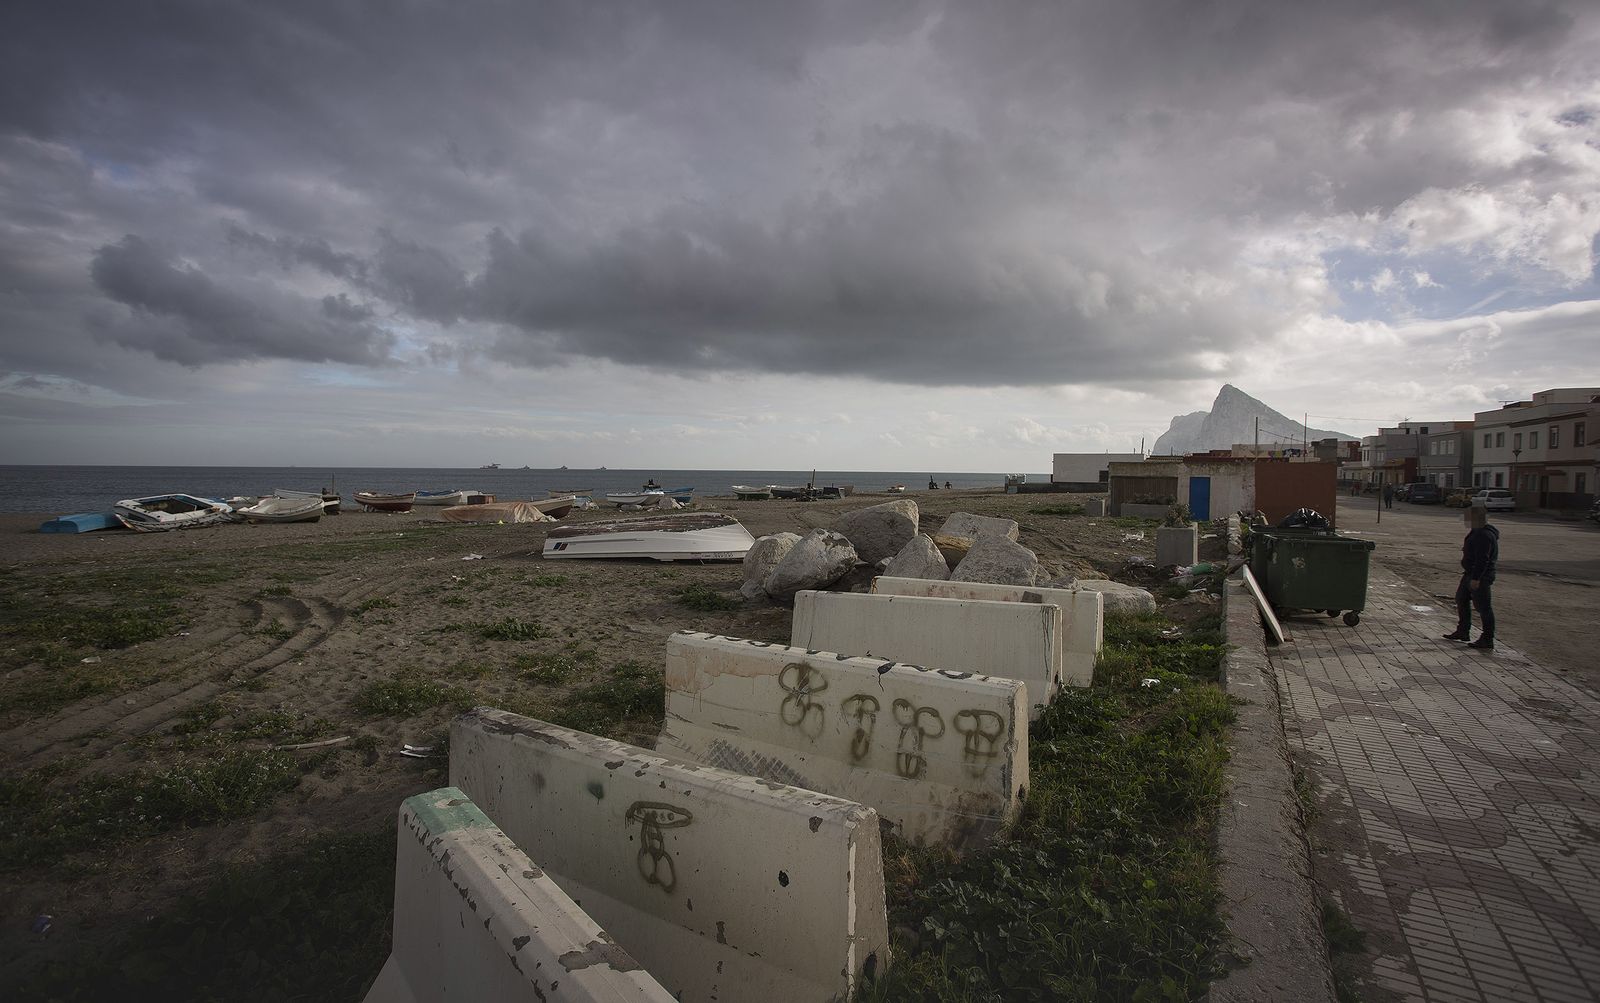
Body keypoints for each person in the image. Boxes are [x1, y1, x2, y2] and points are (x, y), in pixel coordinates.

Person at [1443, 504, 1498, 650]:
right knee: (1461, 599)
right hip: (1470, 574)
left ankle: (1487, 638)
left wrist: (1476, 578)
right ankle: (1463, 631)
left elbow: (1483, 559)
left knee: (1483, 608)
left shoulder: (1484, 535)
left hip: (1479, 576)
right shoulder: (1476, 531)